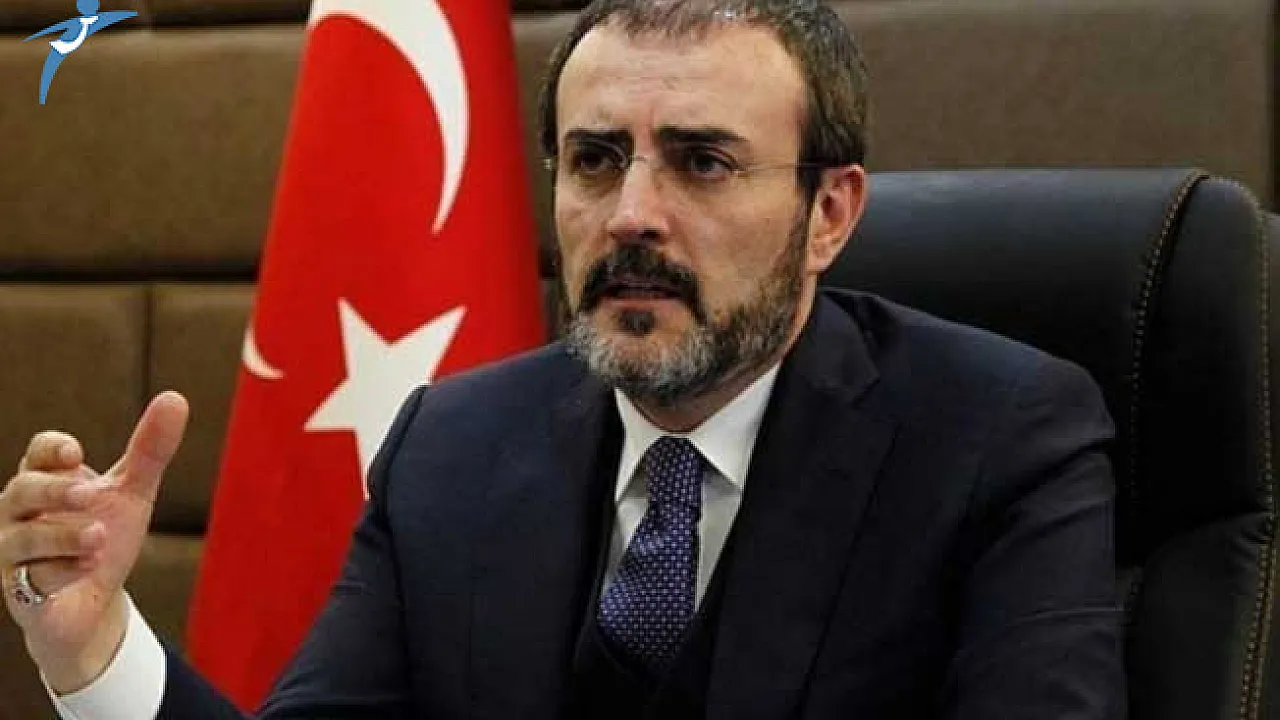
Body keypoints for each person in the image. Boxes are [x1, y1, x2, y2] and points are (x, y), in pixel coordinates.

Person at [0, 0, 1125, 717]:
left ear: (827, 212)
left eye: (701, 162)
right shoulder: (452, 445)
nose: (630, 214)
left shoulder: (997, 438)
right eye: (593, 160)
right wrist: (97, 651)